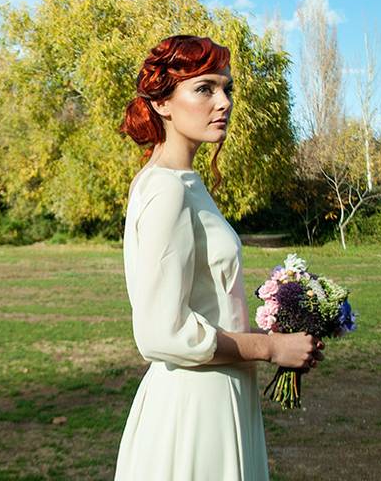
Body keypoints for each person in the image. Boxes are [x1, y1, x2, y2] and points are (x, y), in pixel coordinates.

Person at [114, 35, 324, 480]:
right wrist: (269, 347)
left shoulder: (187, 183)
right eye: (204, 88)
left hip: (223, 389)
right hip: (194, 405)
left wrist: (282, 331)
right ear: (163, 104)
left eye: (227, 88)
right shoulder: (166, 189)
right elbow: (161, 333)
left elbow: (206, 307)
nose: (223, 102)